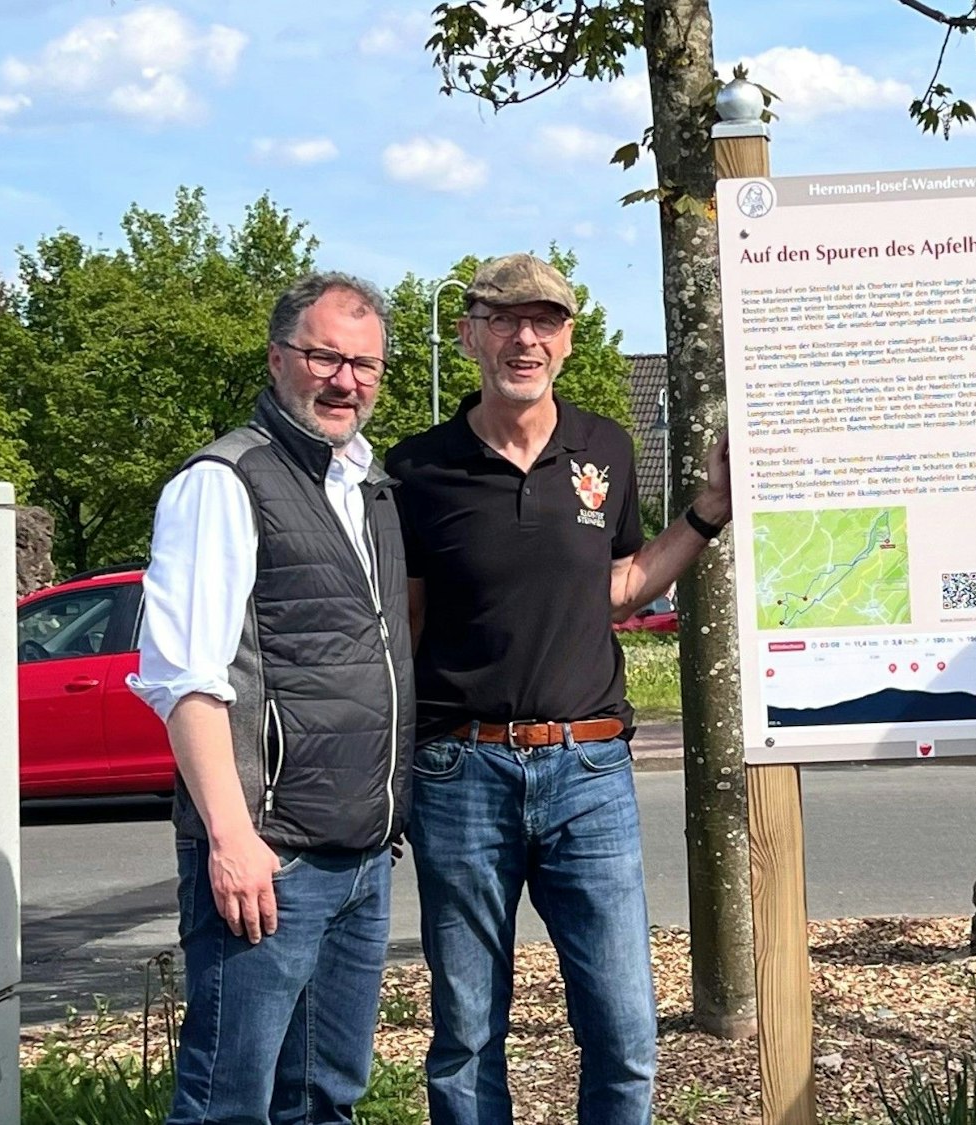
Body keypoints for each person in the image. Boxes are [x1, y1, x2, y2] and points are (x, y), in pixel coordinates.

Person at [384, 252, 731, 1125]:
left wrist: (708, 512)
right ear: (470, 335)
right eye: (503, 319)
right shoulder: (417, 467)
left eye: (544, 321)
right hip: (461, 770)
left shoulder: (605, 447)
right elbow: (408, 625)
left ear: (569, 340)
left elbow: (614, 586)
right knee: (466, 1034)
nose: (524, 337)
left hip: (589, 769)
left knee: (623, 1030)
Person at [129, 271, 415, 1125]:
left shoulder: (367, 486)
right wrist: (231, 839)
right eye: (325, 356)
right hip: (271, 860)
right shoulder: (224, 481)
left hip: (361, 856)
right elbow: (184, 679)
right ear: (278, 356)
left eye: (365, 364)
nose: (346, 381)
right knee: (229, 1105)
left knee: (326, 1099)